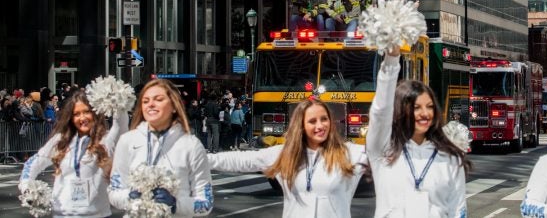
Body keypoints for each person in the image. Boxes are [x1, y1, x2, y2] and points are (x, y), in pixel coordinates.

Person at [208, 98, 367, 218]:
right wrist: (199, 158)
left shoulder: (348, 153)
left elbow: (383, 151)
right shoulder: (284, 154)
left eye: (324, 119)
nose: (320, 126)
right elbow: (241, 160)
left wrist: (390, 66)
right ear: (301, 126)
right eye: (312, 121)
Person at [367, 46, 468, 217]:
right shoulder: (383, 150)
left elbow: (458, 210)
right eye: (416, 107)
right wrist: (391, 59)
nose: (425, 114)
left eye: (429, 107)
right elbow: (380, 111)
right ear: (400, 110)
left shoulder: (450, 157)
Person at [108, 79, 213, 217]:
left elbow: (206, 203)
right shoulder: (127, 141)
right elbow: (114, 192)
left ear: (174, 106)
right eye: (145, 101)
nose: (150, 104)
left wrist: (176, 204)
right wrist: (129, 197)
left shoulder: (191, 145)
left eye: (158, 99)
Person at [19, 90, 129, 217]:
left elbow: (120, 124)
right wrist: (27, 187)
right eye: (77, 114)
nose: (82, 118)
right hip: (61, 214)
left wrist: (114, 96)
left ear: (95, 113)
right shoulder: (60, 140)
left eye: (87, 112)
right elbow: (34, 163)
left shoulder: (107, 140)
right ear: (71, 118)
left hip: (97, 215)